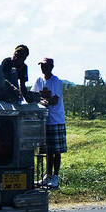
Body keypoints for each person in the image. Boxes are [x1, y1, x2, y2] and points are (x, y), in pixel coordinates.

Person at [30, 58, 66, 189]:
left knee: (57, 151)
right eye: (42, 65)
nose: (43, 68)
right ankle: (48, 175)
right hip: (44, 119)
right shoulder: (39, 80)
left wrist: (43, 101)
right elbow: (33, 95)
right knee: (48, 150)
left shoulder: (56, 81)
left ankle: (55, 176)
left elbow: (55, 99)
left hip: (56, 119)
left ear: (51, 67)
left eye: (45, 66)